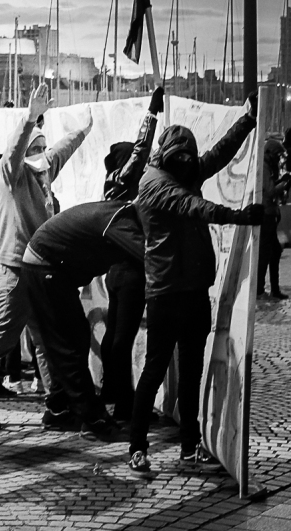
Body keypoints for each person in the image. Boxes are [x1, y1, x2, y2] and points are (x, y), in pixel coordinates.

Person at [129, 96, 262, 472]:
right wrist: (237, 215)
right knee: (155, 370)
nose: (191, 165)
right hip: (166, 292)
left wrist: (247, 121)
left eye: (191, 159)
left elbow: (218, 155)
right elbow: (191, 205)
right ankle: (137, 446)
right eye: (184, 159)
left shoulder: (181, 171)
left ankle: (190, 445)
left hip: (192, 290)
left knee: (191, 373)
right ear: (170, 155)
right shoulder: (153, 183)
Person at [0, 84, 93, 430]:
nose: (39, 152)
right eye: (33, 147)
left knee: (45, 341)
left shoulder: (41, 170)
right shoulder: (10, 173)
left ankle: (56, 406)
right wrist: (30, 117)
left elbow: (58, 152)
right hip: (15, 270)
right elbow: (15, 149)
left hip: (40, 270)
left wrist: (82, 132)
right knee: (0, 339)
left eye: (41, 145)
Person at [16, 199, 151, 439]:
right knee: (68, 346)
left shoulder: (121, 213)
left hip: (48, 268)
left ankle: (58, 409)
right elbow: (150, 258)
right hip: (45, 268)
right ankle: (93, 420)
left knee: (75, 339)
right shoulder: (121, 221)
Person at [100, 87, 162, 421]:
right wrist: (151, 114)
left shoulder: (109, 184)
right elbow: (141, 150)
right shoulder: (125, 183)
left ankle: (111, 389)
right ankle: (126, 404)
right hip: (130, 271)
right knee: (123, 339)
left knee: (114, 335)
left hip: (115, 272)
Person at [258, 139, 289, 298]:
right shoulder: (263, 166)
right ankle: (259, 289)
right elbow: (269, 191)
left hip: (271, 213)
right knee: (265, 253)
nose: (278, 159)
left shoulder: (269, 166)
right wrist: (283, 184)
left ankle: (274, 289)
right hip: (266, 214)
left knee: (274, 251)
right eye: (276, 155)